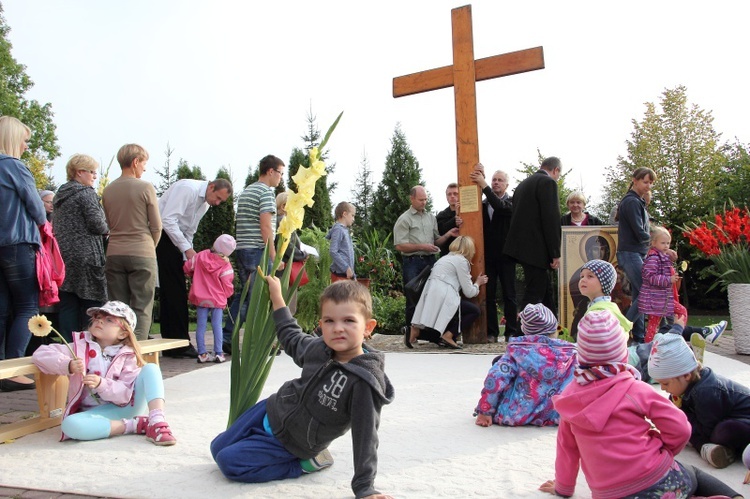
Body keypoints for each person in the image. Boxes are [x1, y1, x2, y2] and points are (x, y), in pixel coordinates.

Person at [211, 279, 395, 499]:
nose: (337, 328)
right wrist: (277, 297)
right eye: (329, 321)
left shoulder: (363, 382)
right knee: (216, 447)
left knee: (228, 462)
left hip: (293, 442)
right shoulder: (319, 348)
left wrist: (365, 487)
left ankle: (305, 465)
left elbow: (366, 435)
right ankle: (256, 442)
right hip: (269, 410)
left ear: (368, 327)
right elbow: (291, 336)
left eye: (348, 320)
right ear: (321, 324)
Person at [540, 310, 743, 499]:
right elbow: (680, 427)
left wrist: (563, 488)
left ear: (580, 356)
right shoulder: (634, 389)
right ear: (624, 354)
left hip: (610, 494)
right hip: (660, 479)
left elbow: (567, 449)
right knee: (693, 475)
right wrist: (666, 450)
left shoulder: (569, 400)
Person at [31, 301, 177, 445]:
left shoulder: (127, 355)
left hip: (126, 406)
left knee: (151, 368)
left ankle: (157, 420)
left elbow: (124, 394)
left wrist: (102, 384)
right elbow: (40, 354)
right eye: (97, 317)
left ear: (123, 333)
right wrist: (67, 365)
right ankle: (135, 425)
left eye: (109, 320)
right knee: (70, 425)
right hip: (95, 412)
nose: (99, 320)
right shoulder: (78, 347)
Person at [649, 331, 750, 471]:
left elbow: (706, 431)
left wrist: (683, 423)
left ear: (686, 375)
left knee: (722, 432)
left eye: (665, 384)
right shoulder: (681, 389)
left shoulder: (705, 391)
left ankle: (706, 447)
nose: (663, 388)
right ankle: (714, 449)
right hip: (721, 418)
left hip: (743, 420)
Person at [157, 177, 233, 358]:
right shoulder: (187, 189)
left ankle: (175, 342)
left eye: (221, 201)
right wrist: (187, 249)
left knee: (175, 290)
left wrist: (189, 258)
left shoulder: (205, 204)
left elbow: (190, 230)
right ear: (211, 187)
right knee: (174, 290)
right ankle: (177, 343)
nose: (217, 203)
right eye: (218, 198)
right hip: (163, 236)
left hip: (177, 240)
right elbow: (167, 220)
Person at [0, 116, 46, 392]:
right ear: (14, 139)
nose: (27, 146)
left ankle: (1, 367)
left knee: (2, 309)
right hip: (18, 243)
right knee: (27, 307)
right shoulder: (14, 167)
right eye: (25, 141)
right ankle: (13, 370)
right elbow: (38, 210)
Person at [474, 303, 577, 427]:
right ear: (555, 328)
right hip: (557, 413)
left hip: (515, 414)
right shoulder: (570, 353)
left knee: (499, 364)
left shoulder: (516, 352)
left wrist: (485, 410)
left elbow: (496, 378)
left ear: (524, 329)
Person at [221, 155, 283, 354]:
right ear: (270, 171)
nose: (281, 178)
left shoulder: (248, 190)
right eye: (280, 173)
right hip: (257, 250)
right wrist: (273, 255)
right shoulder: (265, 193)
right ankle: (256, 343)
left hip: (243, 249)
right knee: (257, 298)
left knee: (245, 295)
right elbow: (266, 226)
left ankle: (227, 337)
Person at [102, 144, 162, 341]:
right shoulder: (145, 187)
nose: (145, 168)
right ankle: (137, 353)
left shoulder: (108, 190)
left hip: (115, 252)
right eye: (144, 163)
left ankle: (116, 351)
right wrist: (149, 246)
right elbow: (156, 226)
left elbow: (109, 225)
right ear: (136, 162)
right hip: (142, 251)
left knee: (117, 307)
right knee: (142, 306)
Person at [53, 154, 109, 342]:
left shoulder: (60, 196)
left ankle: (68, 348)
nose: (95, 176)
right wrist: (108, 228)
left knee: (68, 304)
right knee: (91, 305)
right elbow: (97, 225)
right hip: (87, 256)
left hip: (64, 256)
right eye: (92, 172)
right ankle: (89, 349)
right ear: (79, 172)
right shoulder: (86, 193)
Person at [394, 185, 459, 334]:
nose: (424, 202)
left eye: (426, 199)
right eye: (420, 199)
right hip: (412, 263)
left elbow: (436, 242)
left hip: (430, 261)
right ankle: (410, 333)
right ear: (412, 199)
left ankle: (427, 333)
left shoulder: (431, 217)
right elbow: (399, 246)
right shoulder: (404, 219)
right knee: (413, 297)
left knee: (431, 297)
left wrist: (448, 234)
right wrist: (422, 246)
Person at [406, 235, 488, 349]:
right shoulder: (461, 261)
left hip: (431, 295)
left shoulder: (444, 258)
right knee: (474, 311)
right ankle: (449, 335)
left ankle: (416, 332)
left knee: (447, 321)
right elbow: (469, 292)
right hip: (445, 297)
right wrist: (478, 283)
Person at [504, 156, 562, 314]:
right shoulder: (548, 183)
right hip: (537, 249)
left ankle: (554, 329)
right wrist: (555, 252)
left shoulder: (523, 185)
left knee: (546, 292)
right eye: (558, 174)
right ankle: (520, 332)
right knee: (535, 292)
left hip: (520, 247)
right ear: (555, 170)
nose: (557, 178)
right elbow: (551, 219)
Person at [617, 167, 667, 343]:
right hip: (630, 253)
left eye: (651, 183)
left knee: (640, 295)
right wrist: (660, 245)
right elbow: (640, 231)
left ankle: (638, 338)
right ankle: (620, 331)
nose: (648, 186)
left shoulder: (637, 201)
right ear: (635, 180)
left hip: (635, 252)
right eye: (645, 182)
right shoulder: (631, 202)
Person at [470, 166, 518, 342]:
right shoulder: (482, 204)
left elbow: (499, 207)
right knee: (488, 295)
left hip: (506, 256)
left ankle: (511, 332)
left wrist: (484, 185)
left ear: (506, 184)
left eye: (499, 180)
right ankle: (491, 332)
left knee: (509, 295)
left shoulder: (512, 202)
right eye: (493, 180)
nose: (496, 183)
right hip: (487, 256)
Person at [183, 234, 236, 364]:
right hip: (217, 299)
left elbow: (187, 267)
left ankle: (202, 353)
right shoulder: (225, 265)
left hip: (201, 298)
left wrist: (194, 275)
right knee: (216, 325)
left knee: (201, 326)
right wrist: (227, 295)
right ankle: (218, 353)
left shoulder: (200, 256)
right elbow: (227, 284)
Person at [641, 225, 681, 343]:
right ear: (654, 243)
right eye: (663, 243)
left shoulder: (660, 256)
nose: (666, 246)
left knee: (653, 325)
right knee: (681, 313)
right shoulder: (654, 258)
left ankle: (651, 345)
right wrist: (669, 279)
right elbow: (650, 277)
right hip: (658, 298)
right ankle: (675, 340)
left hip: (661, 297)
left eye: (668, 243)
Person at [274, 191, 307, 314]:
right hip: (285, 270)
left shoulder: (279, 220)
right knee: (287, 306)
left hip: (283, 267)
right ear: (283, 206)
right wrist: (302, 254)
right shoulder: (283, 221)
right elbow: (286, 244)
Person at [327, 201, 356, 282]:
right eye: (352, 215)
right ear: (344, 214)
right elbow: (333, 251)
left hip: (346, 275)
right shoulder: (338, 229)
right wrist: (346, 268)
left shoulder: (344, 230)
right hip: (340, 275)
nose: (353, 219)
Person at [435, 183, 462, 256]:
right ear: (446, 197)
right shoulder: (441, 215)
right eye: (449, 194)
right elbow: (441, 231)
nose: (452, 196)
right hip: (447, 255)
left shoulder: (468, 213)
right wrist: (455, 217)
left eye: (455, 193)